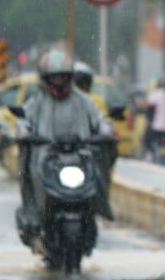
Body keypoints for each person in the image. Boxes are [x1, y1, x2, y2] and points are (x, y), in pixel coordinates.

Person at [19, 50, 114, 233]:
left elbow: (99, 120)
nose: (59, 83)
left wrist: (105, 131)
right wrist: (23, 131)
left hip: (79, 155)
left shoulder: (83, 100)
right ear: (45, 79)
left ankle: (97, 210)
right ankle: (34, 217)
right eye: (55, 78)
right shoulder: (37, 101)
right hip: (46, 156)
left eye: (63, 77)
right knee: (30, 172)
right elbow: (24, 120)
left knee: (99, 169)